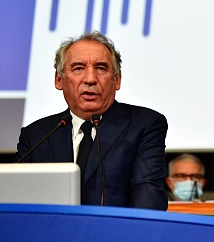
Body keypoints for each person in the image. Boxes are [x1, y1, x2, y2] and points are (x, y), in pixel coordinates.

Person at [15, 31, 169, 210]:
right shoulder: (35, 136)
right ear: (59, 80)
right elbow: (18, 200)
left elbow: (147, 196)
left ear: (117, 80)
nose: (90, 79)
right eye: (78, 68)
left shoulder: (144, 125)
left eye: (101, 68)